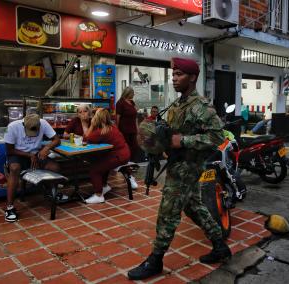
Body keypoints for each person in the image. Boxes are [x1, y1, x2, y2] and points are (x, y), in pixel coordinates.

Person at [128, 58, 231, 280]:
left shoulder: (201, 106)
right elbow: (169, 133)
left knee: (168, 211)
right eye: (173, 75)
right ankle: (220, 245)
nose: (174, 78)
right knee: (194, 207)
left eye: (179, 75)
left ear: (192, 77)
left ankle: (155, 260)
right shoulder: (177, 104)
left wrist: (182, 141)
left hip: (188, 167)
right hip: (176, 163)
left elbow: (217, 137)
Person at [3, 113, 60, 222]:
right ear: (24, 125)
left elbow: (57, 140)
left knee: (55, 167)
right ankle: (10, 207)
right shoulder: (12, 127)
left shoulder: (43, 123)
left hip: (36, 154)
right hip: (18, 154)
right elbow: (9, 150)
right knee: (14, 168)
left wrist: (46, 148)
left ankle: (51, 193)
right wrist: (29, 155)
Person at [84, 108, 130, 204]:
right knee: (101, 162)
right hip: (124, 154)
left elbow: (86, 138)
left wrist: (92, 125)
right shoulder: (112, 126)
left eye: (94, 116)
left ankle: (98, 195)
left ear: (97, 119)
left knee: (94, 169)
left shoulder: (102, 131)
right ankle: (104, 186)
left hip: (119, 156)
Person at [116, 86, 139, 189]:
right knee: (126, 150)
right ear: (128, 93)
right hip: (124, 130)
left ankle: (131, 167)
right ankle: (127, 170)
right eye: (132, 93)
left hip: (133, 130)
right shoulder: (120, 103)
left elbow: (135, 118)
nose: (133, 95)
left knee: (134, 149)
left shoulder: (132, 103)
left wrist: (138, 129)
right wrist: (117, 131)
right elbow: (117, 118)